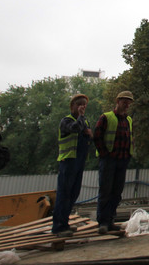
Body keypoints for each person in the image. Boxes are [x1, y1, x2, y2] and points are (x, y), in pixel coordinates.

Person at [50, 94, 93, 237]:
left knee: (73, 193)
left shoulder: (84, 121)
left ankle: (65, 223)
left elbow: (87, 135)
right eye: (79, 104)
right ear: (72, 106)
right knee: (64, 193)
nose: (82, 107)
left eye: (84, 105)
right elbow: (75, 128)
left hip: (79, 161)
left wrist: (89, 133)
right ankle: (58, 226)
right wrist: (81, 118)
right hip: (68, 161)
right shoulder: (66, 121)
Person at [93, 90, 134, 234]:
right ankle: (103, 222)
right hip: (109, 160)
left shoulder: (128, 120)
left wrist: (129, 155)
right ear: (118, 102)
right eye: (124, 102)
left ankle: (110, 220)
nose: (127, 105)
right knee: (105, 191)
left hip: (122, 160)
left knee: (117, 192)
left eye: (129, 103)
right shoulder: (106, 117)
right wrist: (105, 154)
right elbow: (97, 136)